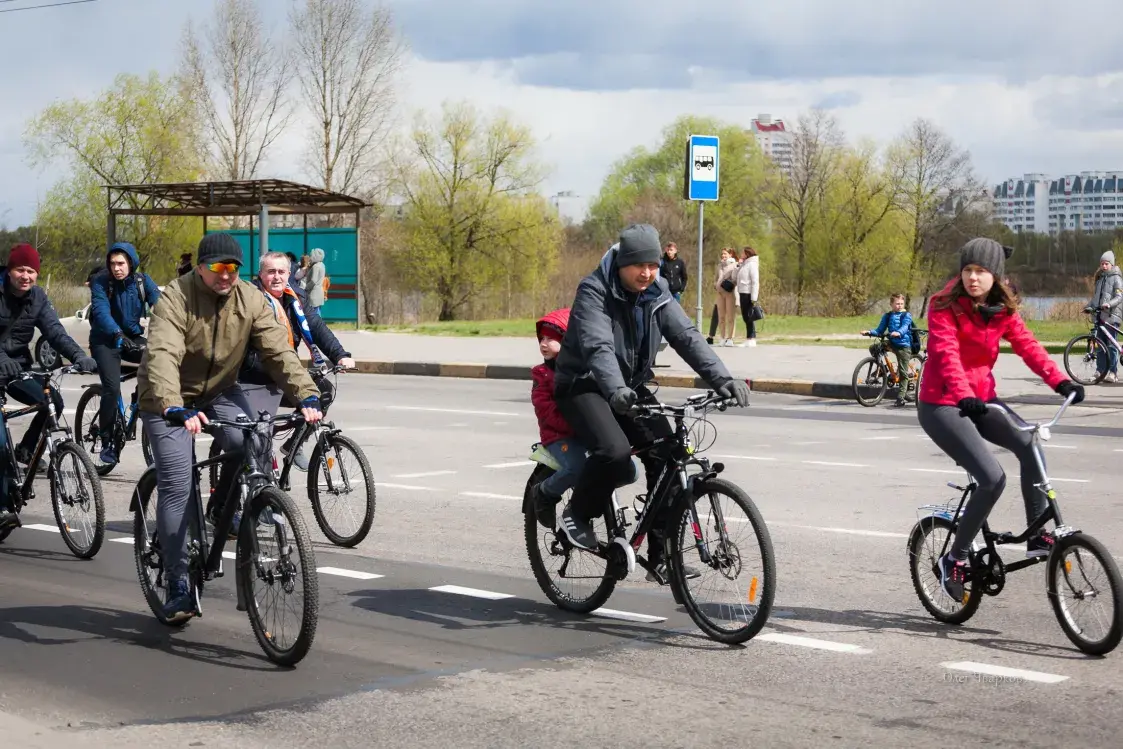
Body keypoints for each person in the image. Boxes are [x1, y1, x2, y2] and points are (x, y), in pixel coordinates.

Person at [137, 233, 323, 623]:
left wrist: (306, 394)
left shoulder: (250, 299)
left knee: (248, 440)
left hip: (218, 391)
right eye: (218, 267)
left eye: (233, 268)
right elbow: (162, 353)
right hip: (166, 397)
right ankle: (177, 583)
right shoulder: (175, 297)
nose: (226, 275)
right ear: (201, 267)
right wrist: (172, 406)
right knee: (176, 487)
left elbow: (277, 350)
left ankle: (229, 509)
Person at [552, 223, 750, 580]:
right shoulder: (594, 290)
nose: (647, 273)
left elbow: (687, 337)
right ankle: (576, 515)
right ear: (622, 263)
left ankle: (662, 553)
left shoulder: (658, 292)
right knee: (613, 452)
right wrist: (614, 389)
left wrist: (722, 379)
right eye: (638, 266)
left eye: (653, 265)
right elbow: (598, 347)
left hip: (627, 387)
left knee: (670, 451)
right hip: (584, 385)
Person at [917, 238, 1084, 603]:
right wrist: (964, 395)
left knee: (1029, 445)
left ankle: (1038, 537)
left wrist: (1061, 381)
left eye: (981, 271)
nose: (973, 278)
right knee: (992, 478)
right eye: (967, 270)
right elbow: (945, 354)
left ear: (996, 276)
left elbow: (1028, 345)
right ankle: (955, 557)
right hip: (942, 403)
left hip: (981, 400)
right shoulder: (944, 305)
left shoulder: (1001, 309)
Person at [0, 244, 97, 531]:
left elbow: (54, 332)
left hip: (17, 367)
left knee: (51, 400)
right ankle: (3, 506)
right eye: (20, 269)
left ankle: (26, 451)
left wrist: (79, 355)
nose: (26, 276)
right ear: (9, 270)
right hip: (2, 364)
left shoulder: (38, 298)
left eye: (31, 271)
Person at [238, 251, 355, 470]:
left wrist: (340, 355)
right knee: (257, 440)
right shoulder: (251, 299)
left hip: (286, 373)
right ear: (260, 274)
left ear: (289, 273)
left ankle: (293, 446)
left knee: (322, 392)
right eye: (270, 272)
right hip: (253, 376)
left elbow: (318, 328)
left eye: (281, 272)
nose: (276, 277)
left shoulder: (296, 299)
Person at [88, 241, 161, 465]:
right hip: (105, 340)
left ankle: (140, 396)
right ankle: (107, 439)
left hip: (132, 337)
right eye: (113, 264)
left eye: (121, 263)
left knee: (159, 363)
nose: (116, 268)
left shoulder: (143, 282)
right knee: (111, 387)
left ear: (131, 263)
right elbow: (100, 311)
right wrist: (117, 333)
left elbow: (160, 306)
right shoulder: (101, 282)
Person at [529, 307, 599, 528]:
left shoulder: (583, 369)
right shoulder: (542, 374)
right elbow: (546, 411)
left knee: (626, 470)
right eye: (542, 338)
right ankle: (545, 493)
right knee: (577, 467)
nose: (543, 343)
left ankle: (588, 507)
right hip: (558, 436)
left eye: (551, 339)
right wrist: (577, 425)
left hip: (585, 433)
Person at [861, 293, 914, 408]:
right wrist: (870, 332)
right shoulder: (888, 316)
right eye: (897, 304)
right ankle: (882, 368)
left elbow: (905, 327)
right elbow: (880, 330)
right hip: (891, 342)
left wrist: (899, 332)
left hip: (903, 344)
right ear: (891, 304)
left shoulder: (906, 315)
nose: (899, 306)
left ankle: (901, 397)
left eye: (901, 304)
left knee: (903, 372)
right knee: (874, 348)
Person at [1088, 250, 1122, 383]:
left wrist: (1109, 304)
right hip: (1100, 317)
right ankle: (1100, 371)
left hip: (1112, 316)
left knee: (1111, 346)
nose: (1104, 266)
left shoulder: (1117, 278)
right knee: (1100, 346)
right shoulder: (1100, 279)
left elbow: (1119, 297)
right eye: (1102, 264)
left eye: (1106, 264)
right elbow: (1095, 299)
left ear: (1112, 264)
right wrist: (1088, 307)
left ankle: (1113, 373)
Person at [736, 246, 760, 347]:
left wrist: (754, 297)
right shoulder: (744, 264)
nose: (741, 254)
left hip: (748, 293)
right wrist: (739, 264)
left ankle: (752, 338)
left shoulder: (752, 265)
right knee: (745, 316)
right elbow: (735, 276)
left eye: (742, 253)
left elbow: (755, 281)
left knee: (749, 316)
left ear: (747, 254)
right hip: (742, 292)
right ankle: (749, 338)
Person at [714, 248, 738, 346]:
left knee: (730, 316)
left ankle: (730, 338)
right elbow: (715, 278)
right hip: (719, 294)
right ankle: (722, 337)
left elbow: (736, 279)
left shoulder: (734, 265)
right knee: (721, 316)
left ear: (730, 254)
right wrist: (715, 285)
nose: (723, 256)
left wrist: (730, 284)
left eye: (725, 254)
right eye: (722, 254)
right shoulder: (719, 266)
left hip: (730, 293)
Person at [301, 248, 327, 312]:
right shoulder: (322, 265)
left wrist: (305, 288)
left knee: (314, 314)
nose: (310, 257)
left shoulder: (316, 266)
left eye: (311, 255)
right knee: (317, 312)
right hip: (319, 293)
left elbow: (313, 281)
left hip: (313, 293)